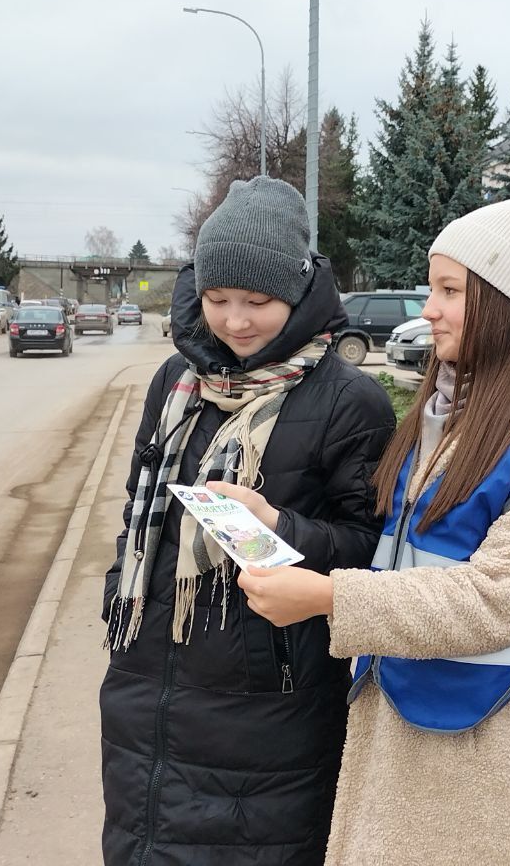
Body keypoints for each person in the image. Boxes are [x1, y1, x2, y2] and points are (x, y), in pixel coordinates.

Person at [238, 183, 510, 866]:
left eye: (449, 291)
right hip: (405, 715)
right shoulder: (445, 412)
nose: (428, 309)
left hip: (498, 742)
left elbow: (494, 600)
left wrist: (326, 598)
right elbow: (400, 554)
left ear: (504, 303)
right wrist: (277, 524)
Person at [98, 176, 396, 866]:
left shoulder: (350, 400)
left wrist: (281, 525)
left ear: (296, 293)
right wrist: (121, 587)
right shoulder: (176, 381)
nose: (234, 321)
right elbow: (140, 503)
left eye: (256, 301)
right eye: (217, 298)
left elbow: (373, 551)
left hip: (269, 708)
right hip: (146, 683)